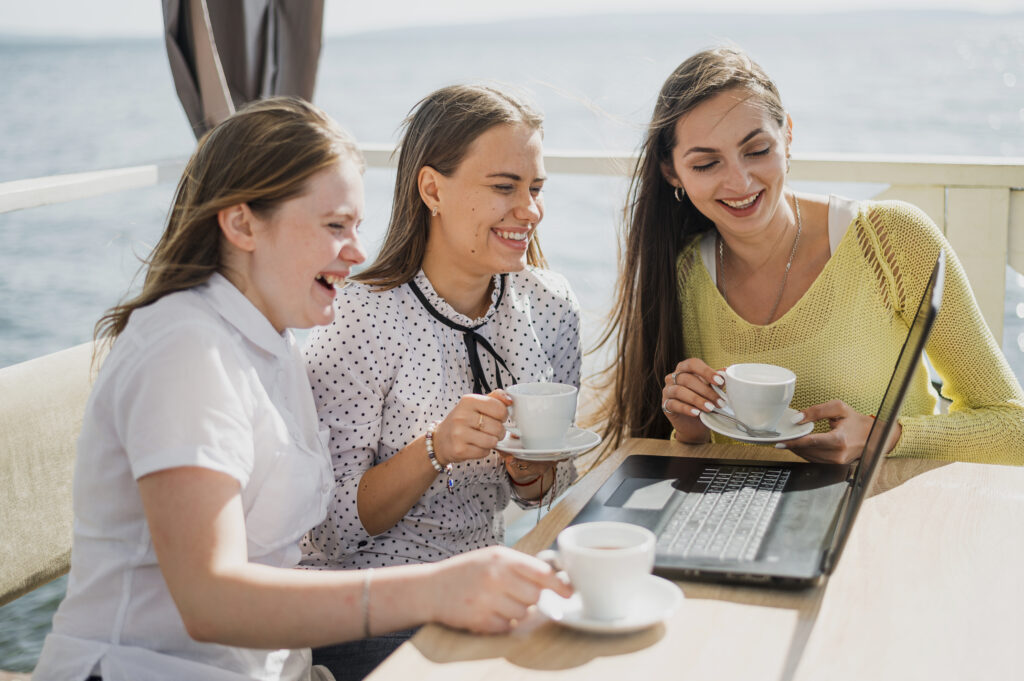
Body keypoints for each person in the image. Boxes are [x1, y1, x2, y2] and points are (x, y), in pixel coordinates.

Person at [32, 97, 571, 681]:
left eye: (357, 227)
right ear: (242, 224)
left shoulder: (275, 345)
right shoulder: (185, 352)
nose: (359, 252)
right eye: (335, 226)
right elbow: (209, 603)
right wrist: (435, 592)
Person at [595, 46, 1024, 464]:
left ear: (788, 136)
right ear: (673, 172)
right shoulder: (681, 274)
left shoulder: (892, 240)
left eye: (757, 150)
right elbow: (698, 460)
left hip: (882, 519)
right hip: (747, 526)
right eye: (707, 164)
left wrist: (883, 438)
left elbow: (1013, 428)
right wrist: (690, 429)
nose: (740, 181)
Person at [300, 84, 582, 678]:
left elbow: (553, 485)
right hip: (368, 609)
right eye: (504, 188)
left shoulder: (550, 305)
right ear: (432, 189)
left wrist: (532, 476)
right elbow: (325, 532)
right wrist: (434, 448)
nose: (529, 210)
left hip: (484, 589)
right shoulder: (360, 317)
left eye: (535, 189)